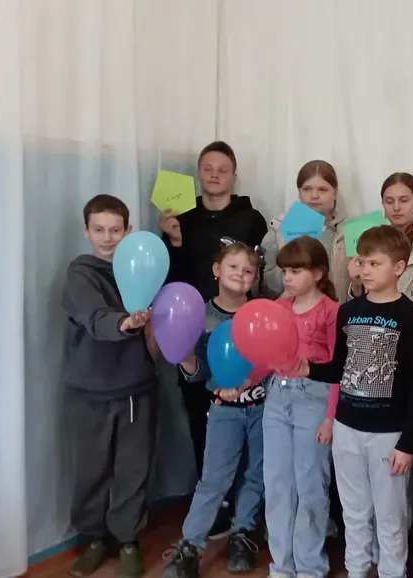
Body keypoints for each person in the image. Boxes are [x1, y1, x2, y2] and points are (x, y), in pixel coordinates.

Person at [293, 225, 413, 578]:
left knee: (390, 516)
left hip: (388, 434)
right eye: (362, 262)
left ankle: (392, 572)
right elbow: (339, 368)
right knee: (353, 512)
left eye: (374, 263)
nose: (365, 270)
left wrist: (407, 442)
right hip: (347, 427)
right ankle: (356, 571)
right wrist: (309, 368)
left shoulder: (412, 316)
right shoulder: (348, 312)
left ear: (399, 267)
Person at [159, 141, 269, 538]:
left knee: (252, 427)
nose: (215, 175)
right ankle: (217, 506)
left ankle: (246, 511)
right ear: (199, 173)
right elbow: (169, 278)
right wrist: (172, 241)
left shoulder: (251, 218)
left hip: (241, 330)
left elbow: (260, 271)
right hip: (197, 329)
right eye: (208, 168)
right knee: (201, 420)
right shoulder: (181, 218)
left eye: (223, 169)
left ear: (234, 175)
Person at [62, 195, 158, 578]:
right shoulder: (80, 273)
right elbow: (94, 315)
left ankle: (128, 540)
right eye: (99, 229)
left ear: (128, 231)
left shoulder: (142, 269)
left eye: (115, 230)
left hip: (137, 388)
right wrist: (125, 323)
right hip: (89, 393)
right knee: (91, 471)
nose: (107, 237)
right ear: (85, 231)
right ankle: (94, 539)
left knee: (133, 471)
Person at [160, 243, 267, 578]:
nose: (240, 274)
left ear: (256, 277)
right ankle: (190, 547)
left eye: (248, 270)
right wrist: (187, 358)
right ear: (217, 270)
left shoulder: (262, 313)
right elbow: (199, 372)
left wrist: (250, 380)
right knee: (214, 479)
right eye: (233, 267)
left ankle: (242, 534)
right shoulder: (201, 315)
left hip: (264, 409)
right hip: (224, 411)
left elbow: (272, 359)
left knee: (255, 475)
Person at [262, 236, 341, 578]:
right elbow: (266, 356)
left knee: (311, 484)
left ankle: (310, 566)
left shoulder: (331, 311)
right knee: (277, 484)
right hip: (277, 397)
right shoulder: (278, 307)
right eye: (285, 271)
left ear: (318, 273)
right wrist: (243, 382)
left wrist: (330, 417)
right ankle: (281, 566)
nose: (287, 278)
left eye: (296, 271)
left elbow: (338, 369)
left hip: (314, 399)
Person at [348, 172, 413, 310]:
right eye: (389, 201)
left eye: (404, 200)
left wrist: (391, 318)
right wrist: (356, 284)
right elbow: (359, 298)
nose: (396, 208)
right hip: (369, 317)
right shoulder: (369, 240)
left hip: (412, 320)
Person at [263, 160, 351, 301]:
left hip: (337, 310)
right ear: (299, 193)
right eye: (307, 189)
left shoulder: (350, 231)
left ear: (334, 193)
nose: (314, 196)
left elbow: (360, 288)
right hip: (290, 311)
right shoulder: (279, 229)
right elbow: (267, 288)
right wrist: (290, 256)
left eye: (322, 189)